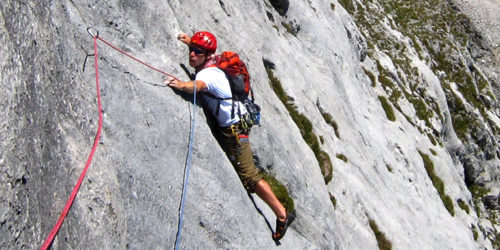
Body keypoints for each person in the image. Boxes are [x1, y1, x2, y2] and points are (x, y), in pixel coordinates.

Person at [165, 31, 295, 241]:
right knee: (238, 163)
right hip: (238, 120)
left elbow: (197, 86)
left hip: (235, 129)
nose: (192, 55)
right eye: (191, 50)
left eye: (197, 51)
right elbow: (201, 51)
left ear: (206, 55)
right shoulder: (212, 60)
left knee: (249, 176)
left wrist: (181, 84)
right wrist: (190, 42)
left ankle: (282, 214)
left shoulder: (207, 74)